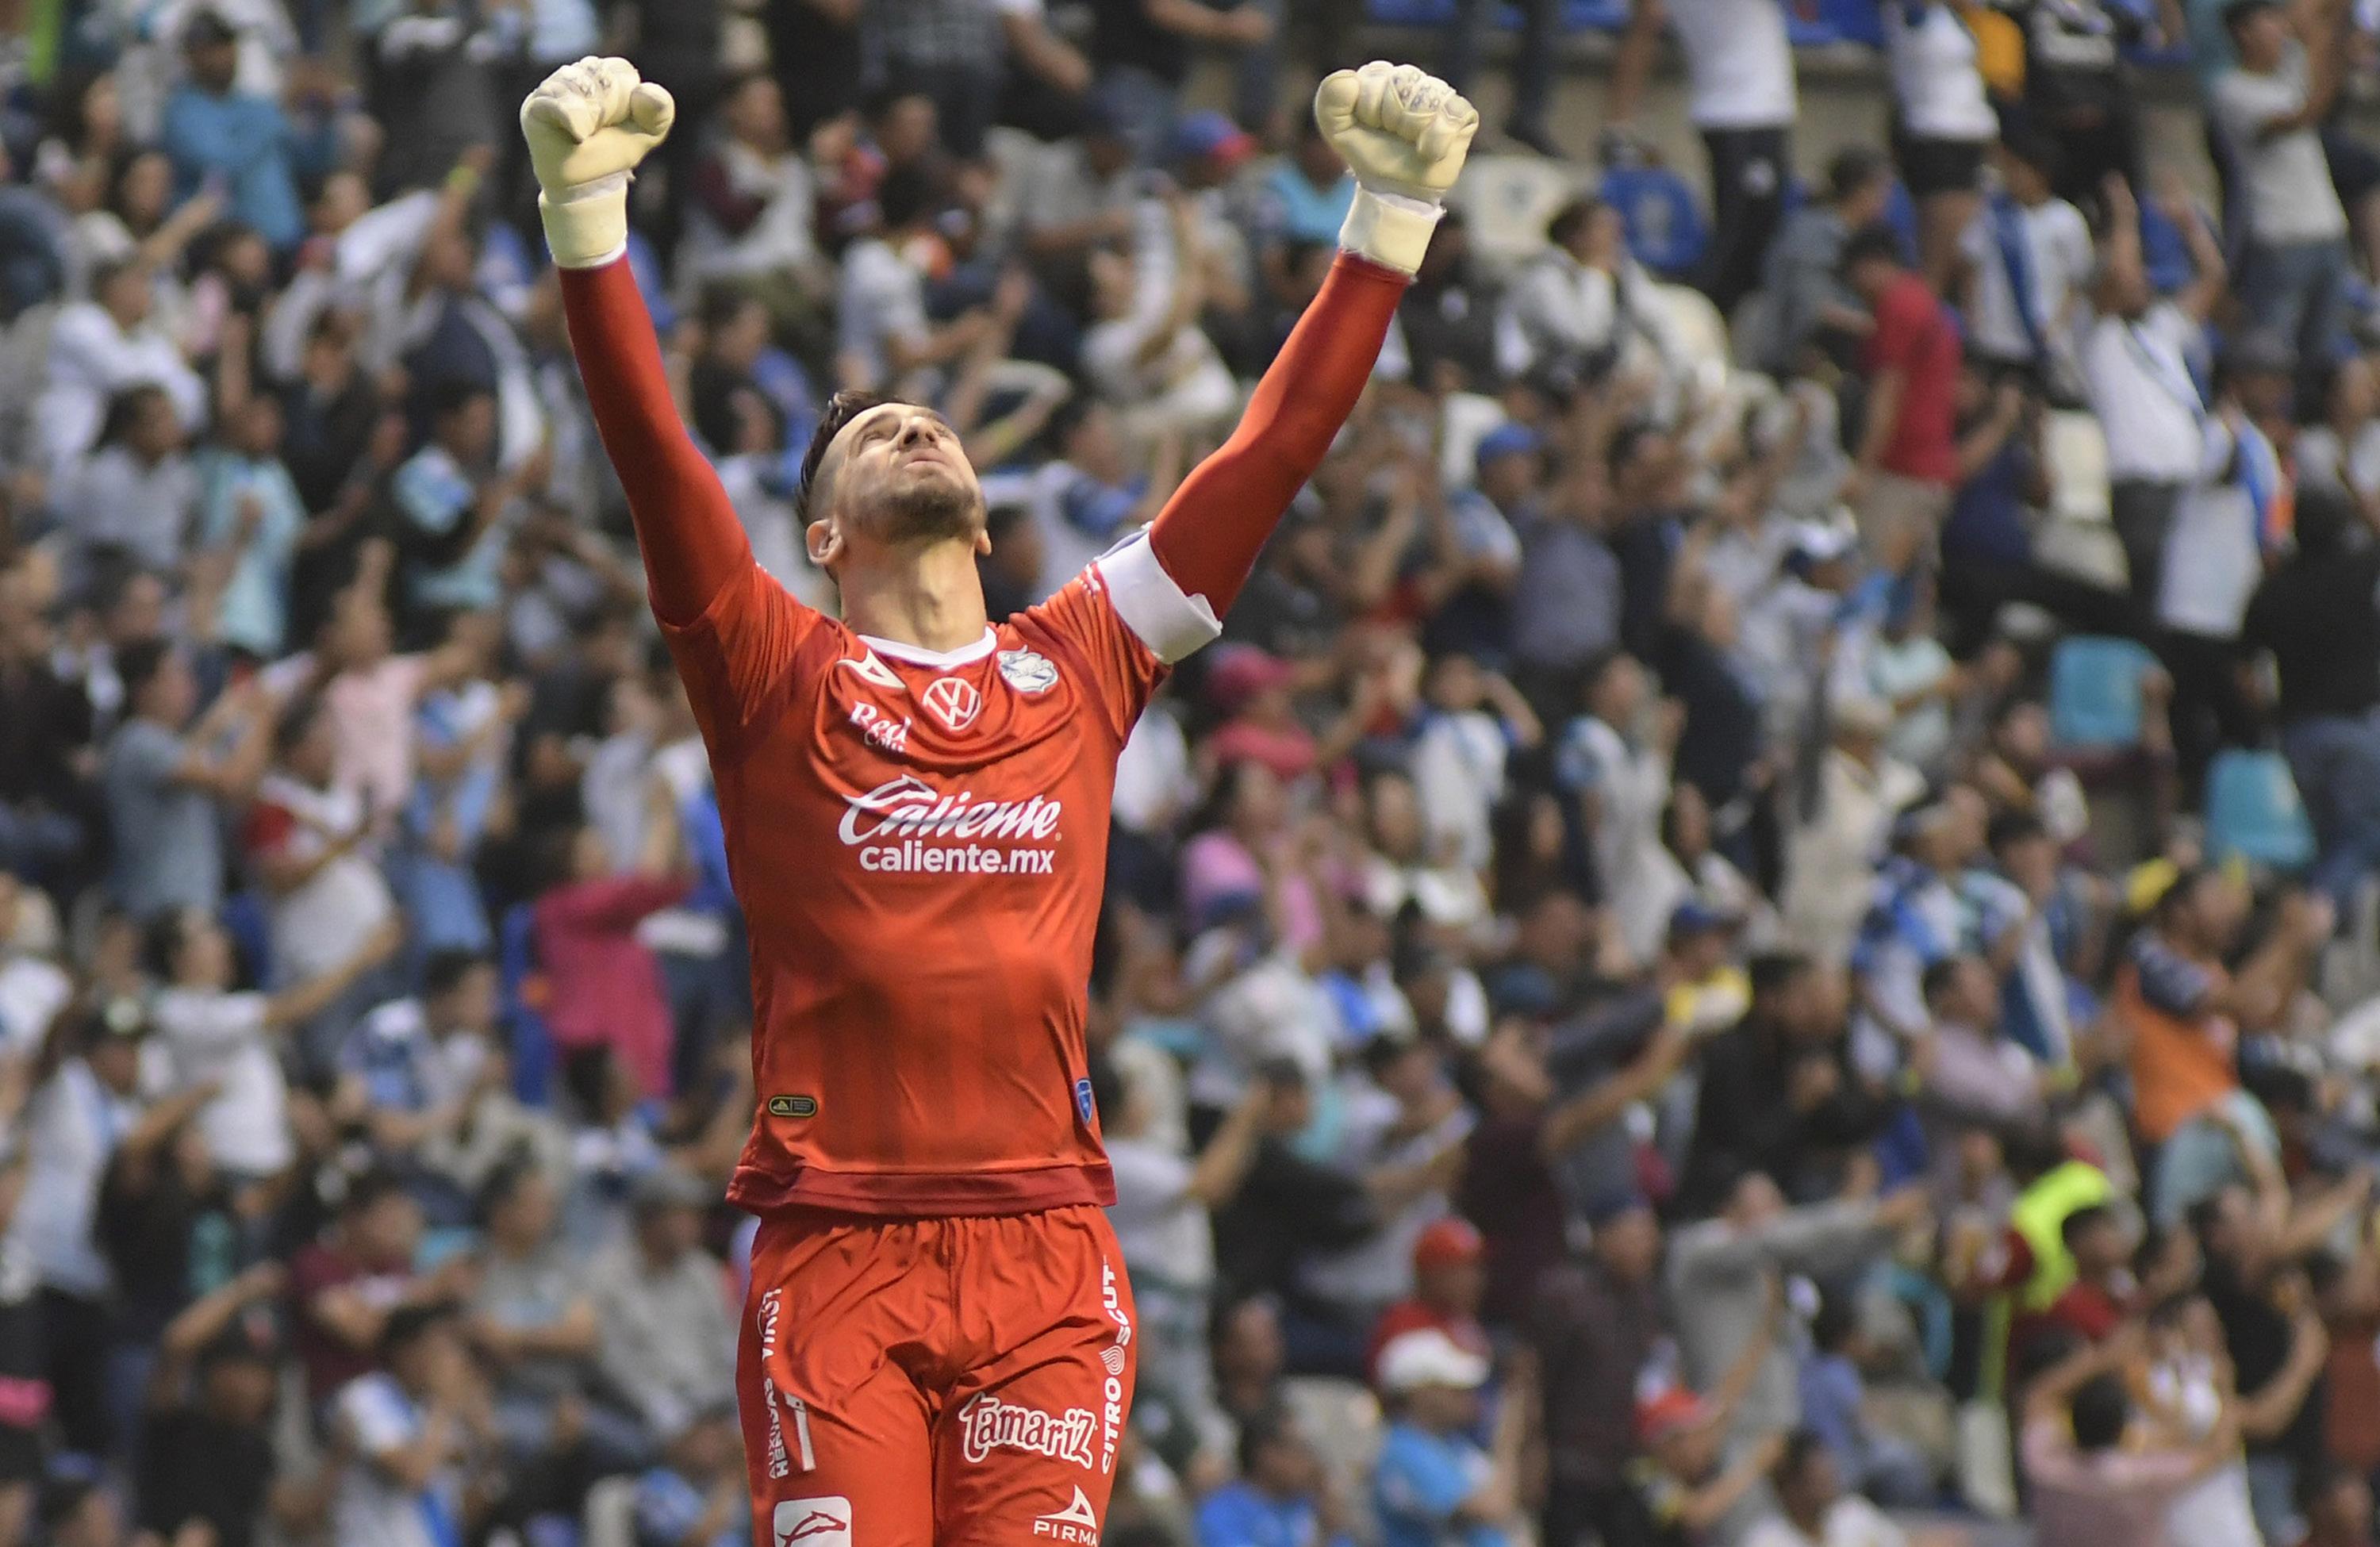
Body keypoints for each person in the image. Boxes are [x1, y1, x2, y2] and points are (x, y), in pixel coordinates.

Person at [520, 52, 1476, 1540]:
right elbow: (658, 465)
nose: (918, 431)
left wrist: (1388, 226)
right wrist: (588, 223)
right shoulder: (774, 674)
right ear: (823, 537)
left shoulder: (1082, 656)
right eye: (876, 433)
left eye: (936, 425)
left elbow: (1269, 452)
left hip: (1046, 1254)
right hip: (839, 1250)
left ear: (981, 516)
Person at [1371, 1328, 1527, 1547]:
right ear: (1420, 1393)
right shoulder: (1403, 1452)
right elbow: (1494, 1509)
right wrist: (1509, 1435)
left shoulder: (1453, 1443)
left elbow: (1523, 1496)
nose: (1469, 1395)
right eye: (1455, 1388)